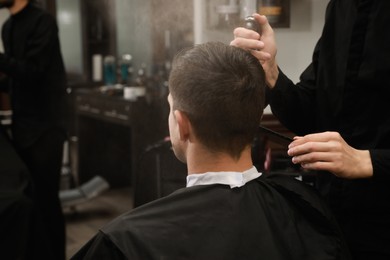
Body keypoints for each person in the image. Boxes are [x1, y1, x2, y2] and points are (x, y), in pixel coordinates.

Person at [71, 42, 350, 260]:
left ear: (182, 125)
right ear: (254, 118)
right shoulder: (310, 211)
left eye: (171, 107)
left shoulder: (123, 241)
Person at [231, 0, 390, 259]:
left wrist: (367, 160)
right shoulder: (340, 9)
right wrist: (270, 71)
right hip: (334, 227)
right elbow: (310, 113)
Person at [0, 0, 68, 259]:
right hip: (22, 126)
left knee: (47, 201)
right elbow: (17, 80)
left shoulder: (43, 23)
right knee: (31, 203)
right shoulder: (7, 27)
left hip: (46, 128)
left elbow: (34, 73)